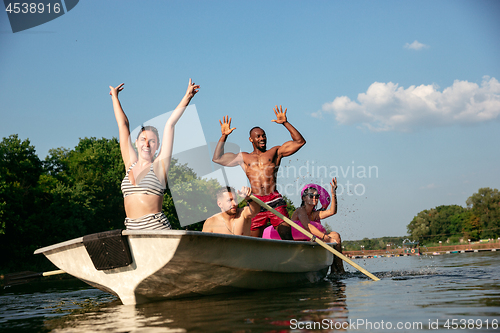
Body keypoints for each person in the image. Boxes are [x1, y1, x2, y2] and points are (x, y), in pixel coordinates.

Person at [109, 79, 200, 230]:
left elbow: (170, 124)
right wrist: (115, 98)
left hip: (156, 230)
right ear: (136, 142)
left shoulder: (159, 166)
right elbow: (123, 125)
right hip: (132, 231)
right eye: (143, 139)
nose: (146, 144)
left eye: (152, 141)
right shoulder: (130, 164)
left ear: (157, 146)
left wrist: (187, 97)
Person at [212, 105, 306, 239]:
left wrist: (285, 123)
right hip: (256, 202)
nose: (262, 138)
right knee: (252, 241)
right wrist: (223, 136)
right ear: (251, 139)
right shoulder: (244, 157)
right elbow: (217, 158)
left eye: (264, 136)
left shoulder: (274, 152)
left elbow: (300, 141)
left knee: (286, 236)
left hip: (274, 200)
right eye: (258, 137)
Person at [291, 178, 345, 274]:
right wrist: (326, 238)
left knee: (335, 235)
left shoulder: (314, 214)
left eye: (317, 196)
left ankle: (338, 271)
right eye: (311, 196)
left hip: (312, 241)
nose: (315, 198)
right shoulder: (300, 210)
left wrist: (333, 193)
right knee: (330, 237)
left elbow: (332, 211)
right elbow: (308, 226)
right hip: (298, 242)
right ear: (304, 198)